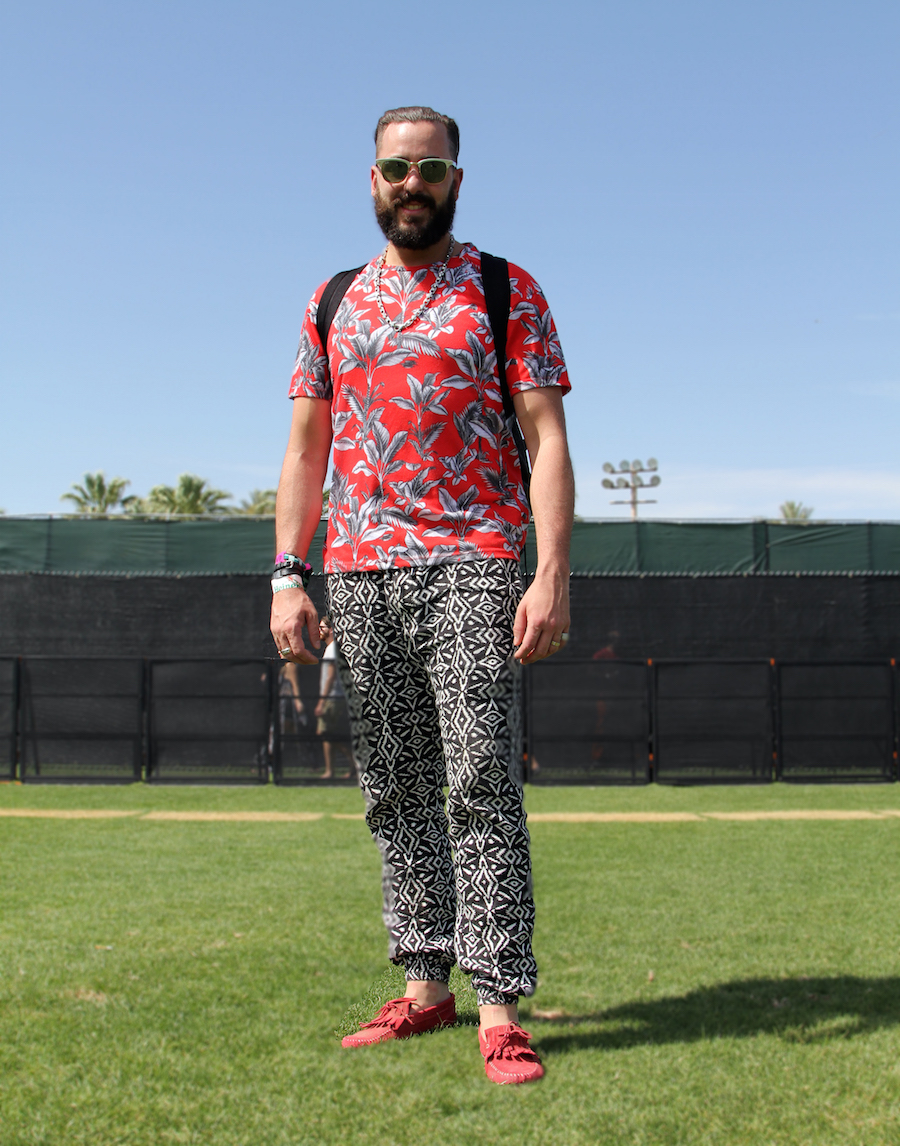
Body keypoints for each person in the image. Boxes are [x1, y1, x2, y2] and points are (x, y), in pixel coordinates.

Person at [270, 105, 574, 1085]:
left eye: (430, 167)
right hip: (358, 570)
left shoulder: (500, 289)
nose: (412, 183)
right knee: (394, 788)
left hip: (476, 559)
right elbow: (306, 448)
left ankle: (500, 1005)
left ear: (456, 178)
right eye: (395, 168)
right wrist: (289, 572)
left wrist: (552, 571)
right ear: (372, 181)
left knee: (481, 780)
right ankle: (424, 992)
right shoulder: (333, 299)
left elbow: (548, 440)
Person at [314, 614, 354, 780]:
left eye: (321, 627)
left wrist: (322, 702)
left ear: (331, 630)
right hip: (332, 697)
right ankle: (333, 769)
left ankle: (352, 764)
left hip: (332, 697)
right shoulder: (331, 648)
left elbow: (330, 676)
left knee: (326, 733)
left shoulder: (332, 649)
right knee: (327, 734)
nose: (318, 631)